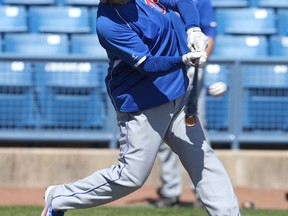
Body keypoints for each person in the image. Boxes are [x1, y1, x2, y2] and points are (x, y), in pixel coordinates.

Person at [41, 0, 241, 215]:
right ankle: (60, 197)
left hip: (178, 94)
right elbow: (149, 64)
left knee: (202, 156)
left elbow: (181, 1)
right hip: (143, 104)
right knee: (130, 177)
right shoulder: (108, 23)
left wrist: (193, 28)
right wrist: (184, 59)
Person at [154, 0, 217, 208]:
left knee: (196, 130)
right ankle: (171, 191)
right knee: (164, 128)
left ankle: (202, 192)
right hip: (167, 68)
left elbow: (209, 32)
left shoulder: (201, 1)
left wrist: (201, 58)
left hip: (193, 68)